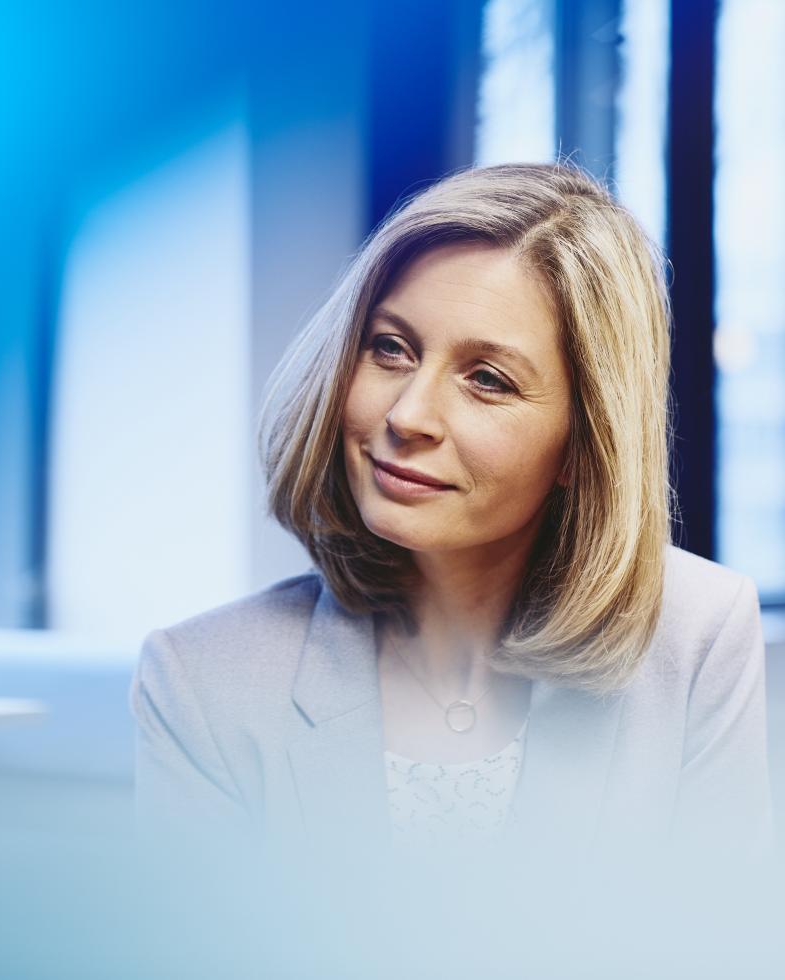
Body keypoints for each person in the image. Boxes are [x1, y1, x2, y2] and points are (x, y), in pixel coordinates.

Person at [128, 162, 774, 886]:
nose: (406, 416)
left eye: (487, 380)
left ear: (584, 442)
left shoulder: (697, 639)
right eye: (390, 349)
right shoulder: (205, 679)